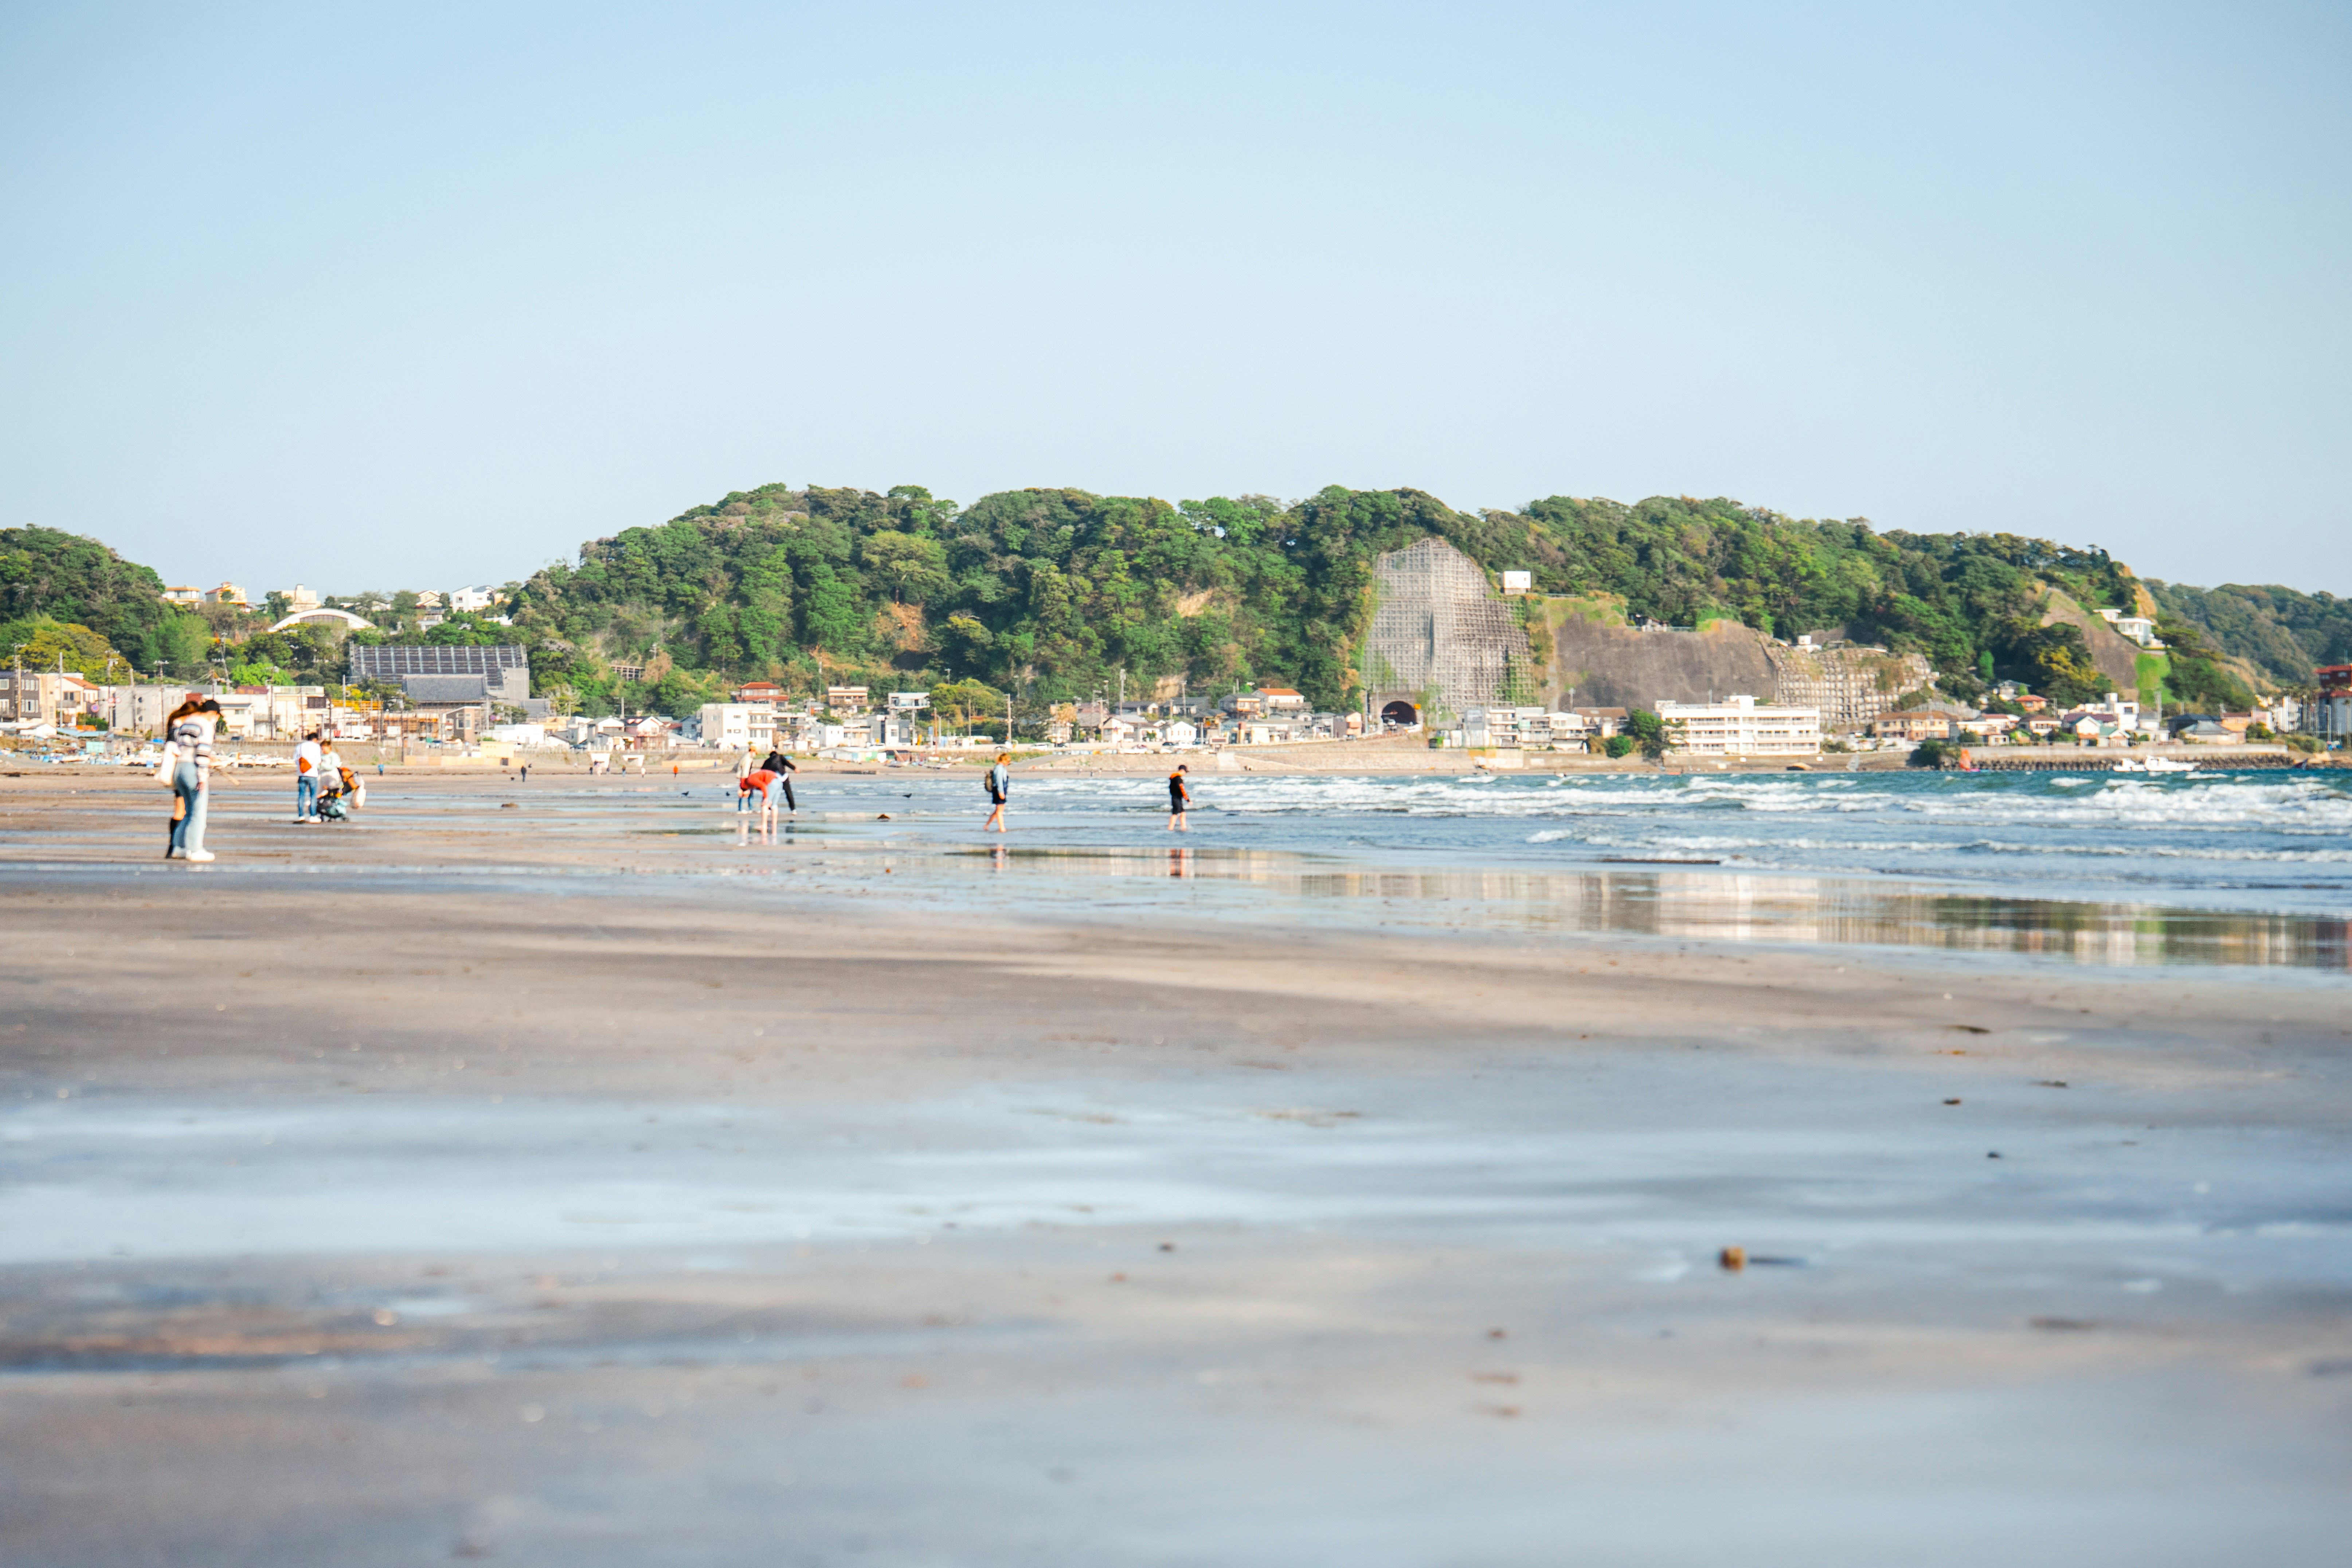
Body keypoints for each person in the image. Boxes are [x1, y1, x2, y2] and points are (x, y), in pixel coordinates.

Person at [161, 696, 220, 861]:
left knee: (188, 812)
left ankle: (179, 848)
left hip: (178, 768)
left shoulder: (188, 721)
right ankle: (195, 850)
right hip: (192, 769)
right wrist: (203, 776)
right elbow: (202, 751)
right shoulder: (207, 725)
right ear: (215, 714)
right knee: (198, 813)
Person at [293, 730, 323, 822]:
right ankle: (313, 816)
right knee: (313, 796)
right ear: (315, 739)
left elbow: (296, 760)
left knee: (301, 795)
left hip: (302, 774)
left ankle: (301, 816)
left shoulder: (299, 746)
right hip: (313, 774)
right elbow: (318, 760)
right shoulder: (316, 746)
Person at [760, 747, 798, 813]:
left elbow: (763, 771)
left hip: (773, 779)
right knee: (789, 793)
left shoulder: (767, 761)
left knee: (771, 794)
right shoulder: (780, 757)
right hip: (784, 777)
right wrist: (795, 768)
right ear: (776, 753)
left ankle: (768, 809)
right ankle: (793, 810)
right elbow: (787, 763)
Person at [984, 752, 1010, 832]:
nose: (1009, 763)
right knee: (1000, 810)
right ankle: (1002, 828)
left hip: (1001, 790)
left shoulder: (1002, 768)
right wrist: (1001, 792)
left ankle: (987, 825)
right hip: (999, 790)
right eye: (1008, 761)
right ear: (1004, 760)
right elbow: (999, 781)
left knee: (999, 809)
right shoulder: (999, 768)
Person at [1167, 763, 1191, 831]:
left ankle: (1183, 828)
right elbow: (1182, 789)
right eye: (1185, 772)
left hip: (1175, 798)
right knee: (1175, 814)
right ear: (1182, 770)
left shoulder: (1174, 778)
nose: (1185, 774)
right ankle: (1170, 828)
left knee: (1183, 813)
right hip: (1177, 799)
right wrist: (1188, 800)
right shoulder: (1178, 779)